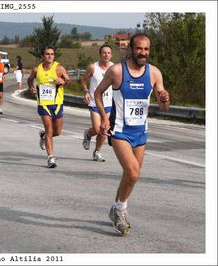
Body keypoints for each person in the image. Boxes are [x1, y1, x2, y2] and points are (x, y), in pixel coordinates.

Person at [94, 33, 170, 235]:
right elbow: (98, 93)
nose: (143, 53)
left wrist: (164, 98)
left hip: (140, 133)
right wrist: (103, 117)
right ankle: (120, 210)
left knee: (131, 176)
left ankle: (116, 208)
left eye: (146, 49)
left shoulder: (154, 73)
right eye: (139, 48)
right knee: (133, 172)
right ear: (130, 49)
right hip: (119, 131)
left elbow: (164, 108)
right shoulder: (117, 71)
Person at [27, 46, 71, 168]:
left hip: (57, 103)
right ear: (43, 55)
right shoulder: (37, 69)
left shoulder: (59, 68)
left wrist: (63, 81)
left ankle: (43, 135)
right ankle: (51, 157)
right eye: (47, 54)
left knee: (57, 131)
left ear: (54, 56)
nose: (49, 56)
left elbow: (68, 80)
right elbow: (30, 80)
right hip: (43, 103)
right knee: (49, 129)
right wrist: (31, 87)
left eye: (52, 54)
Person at [81, 45, 114, 162]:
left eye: (109, 53)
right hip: (95, 102)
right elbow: (84, 80)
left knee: (104, 129)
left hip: (108, 103)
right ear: (100, 54)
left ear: (111, 55)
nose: (106, 55)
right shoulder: (93, 67)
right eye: (104, 53)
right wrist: (86, 91)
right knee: (96, 129)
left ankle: (97, 152)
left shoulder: (114, 68)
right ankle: (88, 134)